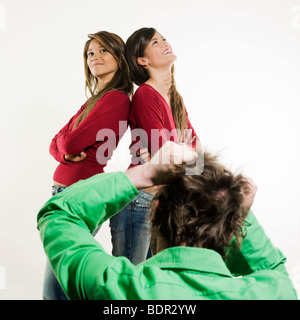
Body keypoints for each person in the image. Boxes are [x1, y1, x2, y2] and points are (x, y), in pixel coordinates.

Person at [37, 141, 297, 300]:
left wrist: (145, 173)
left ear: (157, 208)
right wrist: (239, 212)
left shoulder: (114, 288)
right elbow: (272, 269)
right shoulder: (272, 293)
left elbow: (60, 215)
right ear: (232, 231)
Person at [44, 31, 133, 300]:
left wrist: (64, 146)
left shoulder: (115, 99)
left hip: (78, 193)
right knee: (61, 278)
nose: (95, 57)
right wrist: (63, 147)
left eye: (103, 50)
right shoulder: (96, 100)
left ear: (119, 57)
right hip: (68, 194)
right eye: (90, 53)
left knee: (57, 284)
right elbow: (55, 143)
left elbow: (69, 144)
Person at [109, 27, 200, 265]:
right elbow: (168, 157)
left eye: (164, 39)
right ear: (143, 60)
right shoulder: (145, 95)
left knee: (153, 286)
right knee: (129, 284)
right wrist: (176, 152)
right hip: (137, 202)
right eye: (155, 42)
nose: (164, 43)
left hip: (162, 203)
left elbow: (197, 153)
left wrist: (178, 152)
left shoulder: (174, 98)